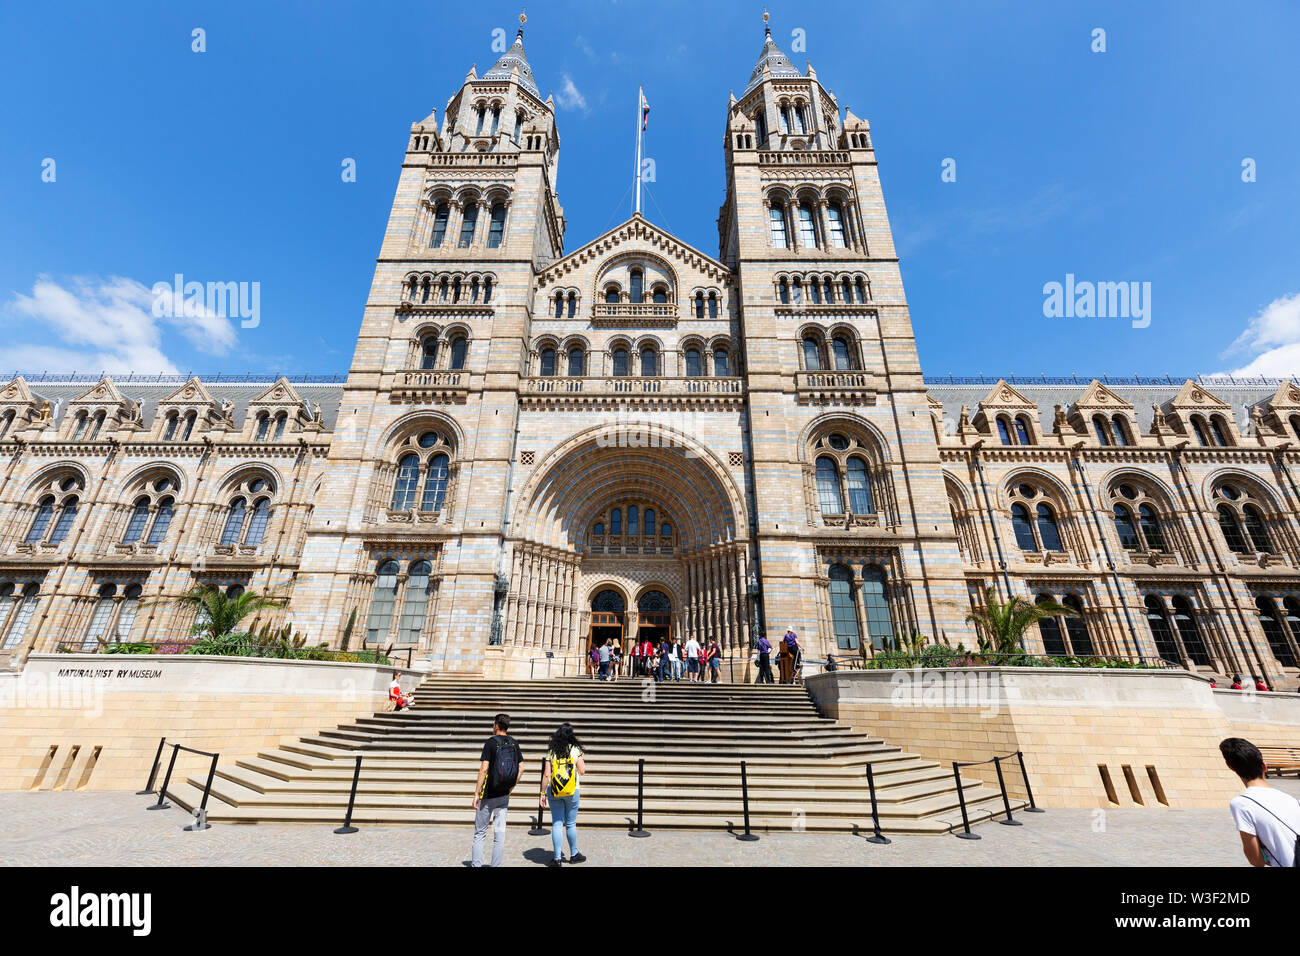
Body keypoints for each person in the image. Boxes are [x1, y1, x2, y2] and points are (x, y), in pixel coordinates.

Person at [1220, 737, 1300, 867]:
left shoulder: (1241, 804)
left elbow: (1256, 860)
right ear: (1265, 766)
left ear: (1230, 767)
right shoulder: (1291, 800)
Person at [472, 713, 522, 868]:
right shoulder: (514, 743)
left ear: (497, 725)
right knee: (499, 834)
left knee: (480, 833)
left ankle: (476, 865)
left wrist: (476, 793)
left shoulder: (491, 743)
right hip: (504, 794)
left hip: (488, 793)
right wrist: (511, 787)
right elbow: (522, 768)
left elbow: (484, 768)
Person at [539, 722, 588, 867]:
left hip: (554, 790)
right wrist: (581, 756)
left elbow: (547, 774)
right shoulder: (575, 749)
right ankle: (574, 854)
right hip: (572, 791)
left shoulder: (551, 751)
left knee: (557, 823)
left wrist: (542, 793)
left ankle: (557, 858)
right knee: (571, 823)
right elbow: (582, 771)